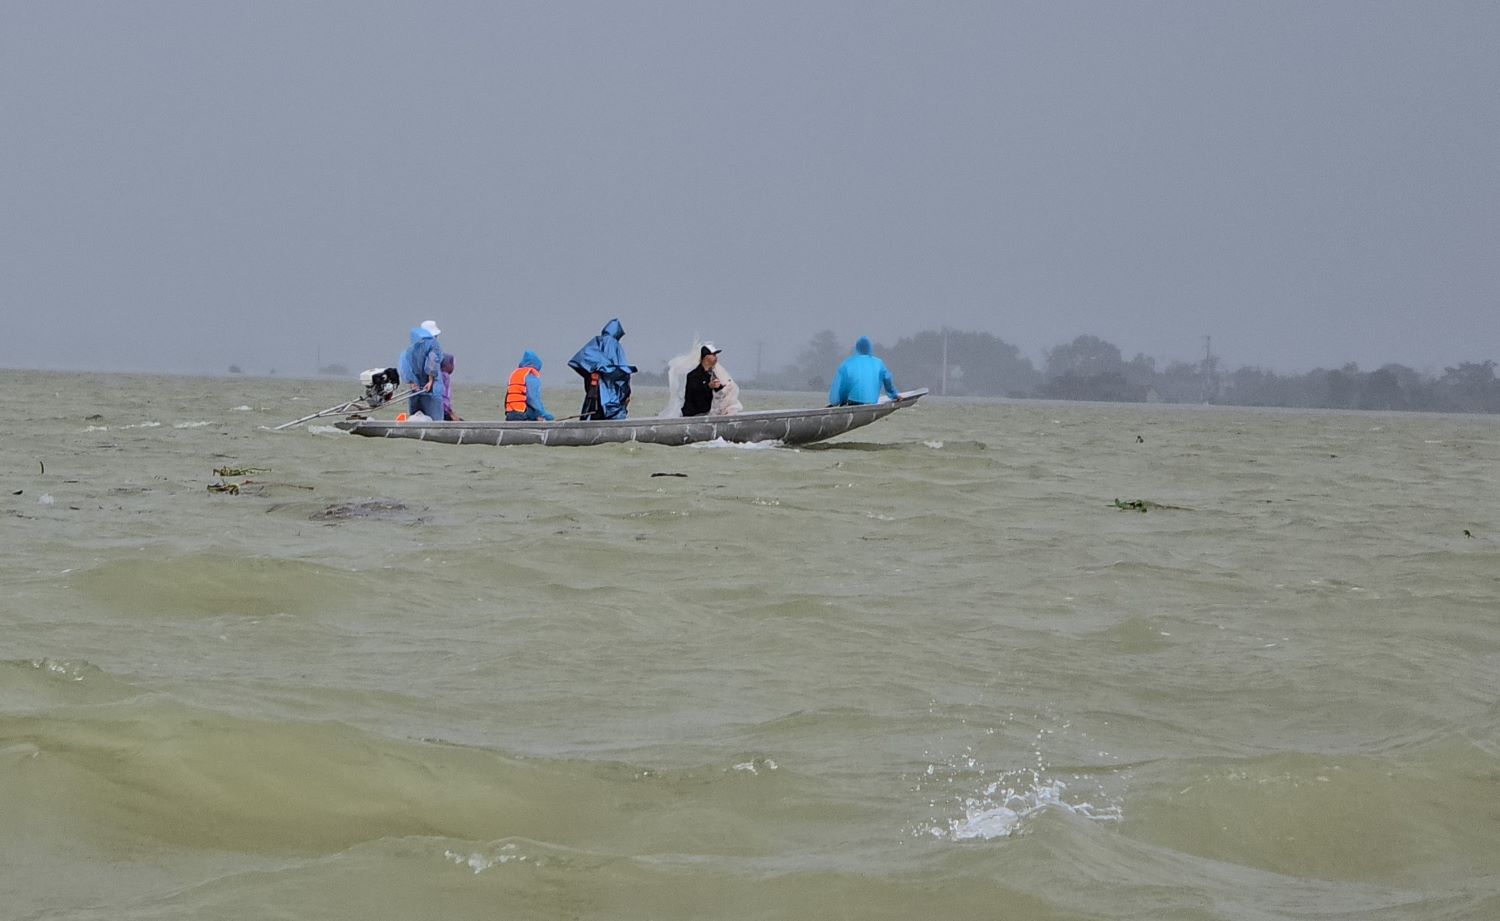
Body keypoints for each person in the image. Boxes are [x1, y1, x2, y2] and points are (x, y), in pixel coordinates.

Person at [568, 318, 636, 420]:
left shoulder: (595, 342)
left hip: (594, 388)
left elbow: (583, 359)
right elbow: (618, 369)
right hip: (607, 390)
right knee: (609, 412)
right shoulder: (613, 343)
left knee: (591, 413)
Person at [828, 336, 899, 406]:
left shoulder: (848, 363)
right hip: (872, 401)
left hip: (853, 401)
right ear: (870, 348)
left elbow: (843, 386)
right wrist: (895, 395)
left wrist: (841, 401)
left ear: (857, 348)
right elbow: (887, 381)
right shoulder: (879, 363)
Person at [399, 320, 444, 421]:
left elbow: (404, 364)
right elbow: (432, 362)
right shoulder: (433, 344)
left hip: (415, 388)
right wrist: (431, 380)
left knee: (415, 417)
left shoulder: (413, 346)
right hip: (430, 389)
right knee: (435, 419)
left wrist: (411, 382)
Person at [504, 350, 555, 421]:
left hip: (510, 414)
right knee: (545, 416)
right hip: (522, 413)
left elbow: (508, 396)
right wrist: (544, 415)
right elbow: (533, 398)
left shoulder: (515, 374)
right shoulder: (531, 376)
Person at [681, 343, 724, 416]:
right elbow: (695, 394)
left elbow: (718, 391)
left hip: (705, 414)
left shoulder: (711, 373)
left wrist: (721, 386)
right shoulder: (693, 375)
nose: (716, 358)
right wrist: (708, 386)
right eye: (713, 355)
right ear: (706, 357)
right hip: (692, 416)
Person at [439, 353, 461, 421]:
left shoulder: (437, 375)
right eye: (452, 364)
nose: (453, 367)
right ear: (447, 365)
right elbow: (444, 397)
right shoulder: (445, 376)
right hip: (442, 412)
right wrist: (450, 413)